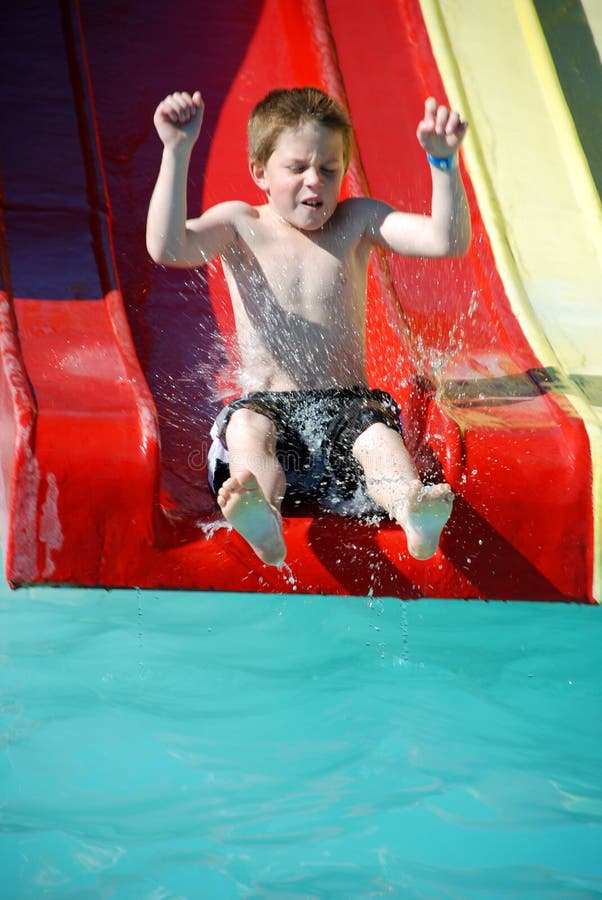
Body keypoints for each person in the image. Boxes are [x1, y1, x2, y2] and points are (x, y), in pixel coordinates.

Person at [146, 86, 471, 567]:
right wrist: (176, 151)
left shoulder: (357, 221)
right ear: (261, 172)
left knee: (377, 435)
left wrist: (444, 166)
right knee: (248, 426)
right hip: (269, 407)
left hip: (345, 414)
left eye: (328, 168)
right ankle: (263, 518)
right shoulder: (241, 224)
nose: (314, 181)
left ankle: (411, 512)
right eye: (297, 168)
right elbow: (168, 247)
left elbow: (447, 241)